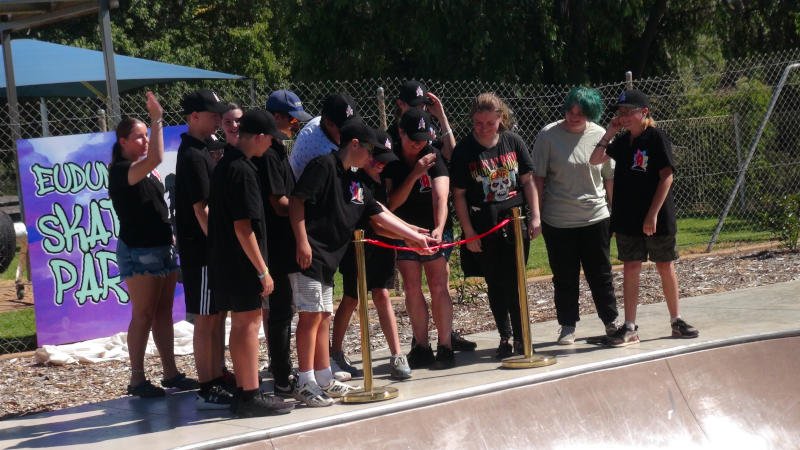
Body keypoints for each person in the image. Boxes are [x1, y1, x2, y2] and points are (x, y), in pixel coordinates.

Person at [289, 120, 436, 407]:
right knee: (310, 317)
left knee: (322, 315)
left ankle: (323, 376)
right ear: (354, 144)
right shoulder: (323, 166)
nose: (373, 157)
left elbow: (377, 213)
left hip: (329, 258)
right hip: (313, 253)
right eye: (369, 150)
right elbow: (297, 202)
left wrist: (412, 233)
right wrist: (302, 241)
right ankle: (304, 381)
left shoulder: (352, 179)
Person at [589, 89, 699, 346]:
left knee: (664, 264)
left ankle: (676, 321)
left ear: (644, 112)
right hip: (628, 216)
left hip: (655, 216)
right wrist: (610, 131)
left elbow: (667, 176)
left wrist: (652, 214)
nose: (624, 117)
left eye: (629, 112)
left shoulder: (656, 137)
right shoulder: (623, 141)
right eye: (621, 113)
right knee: (631, 266)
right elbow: (595, 160)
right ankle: (629, 326)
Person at [108, 92, 198, 397]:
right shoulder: (122, 171)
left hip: (162, 247)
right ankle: (136, 378)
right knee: (143, 314)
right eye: (138, 137)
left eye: (147, 136)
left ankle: (170, 373)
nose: (145, 141)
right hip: (140, 250)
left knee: (163, 313)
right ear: (122, 142)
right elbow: (157, 157)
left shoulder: (149, 171)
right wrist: (158, 119)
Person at [207, 109, 295, 417]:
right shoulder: (243, 171)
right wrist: (263, 269)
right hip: (242, 263)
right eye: (270, 139)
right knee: (249, 323)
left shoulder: (226, 164)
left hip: (226, 261)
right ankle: (250, 393)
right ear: (258, 137)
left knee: (242, 324)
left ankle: (247, 388)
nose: (271, 145)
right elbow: (243, 227)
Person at [451, 92, 542, 358]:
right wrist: (468, 232)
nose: (483, 128)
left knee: (516, 281)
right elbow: (458, 194)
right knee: (496, 282)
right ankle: (505, 335)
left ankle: (523, 336)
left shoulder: (513, 142)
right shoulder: (465, 150)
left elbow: (527, 181)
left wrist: (535, 216)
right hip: (483, 225)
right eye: (478, 123)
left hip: (514, 223)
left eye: (489, 123)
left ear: (500, 119)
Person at [532, 87, 620, 345]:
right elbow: (538, 178)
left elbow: (609, 177)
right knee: (564, 276)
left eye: (580, 114)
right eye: (570, 111)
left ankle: (611, 321)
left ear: (591, 114)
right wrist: (536, 213)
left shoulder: (601, 135)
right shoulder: (548, 135)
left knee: (600, 273)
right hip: (558, 220)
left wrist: (616, 212)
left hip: (595, 217)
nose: (573, 117)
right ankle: (567, 325)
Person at [331, 129, 412, 380]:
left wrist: (411, 231)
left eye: (384, 162)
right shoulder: (357, 182)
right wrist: (409, 237)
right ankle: (335, 351)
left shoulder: (382, 180)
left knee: (383, 294)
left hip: (383, 249)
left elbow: (389, 213)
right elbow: (377, 223)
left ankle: (397, 354)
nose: (380, 166)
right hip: (358, 247)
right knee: (351, 298)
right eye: (376, 159)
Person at [384, 108, 460, 369]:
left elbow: (441, 196)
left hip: (431, 230)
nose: (418, 144)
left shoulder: (434, 155)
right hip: (405, 230)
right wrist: (415, 173)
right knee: (412, 287)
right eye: (412, 138)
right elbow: (391, 203)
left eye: (422, 138)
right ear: (401, 133)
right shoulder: (392, 159)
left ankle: (446, 345)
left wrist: (439, 227)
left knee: (438, 285)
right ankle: (421, 345)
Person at [250, 89, 313, 397]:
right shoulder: (270, 155)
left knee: (283, 307)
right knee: (280, 310)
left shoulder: (277, 151)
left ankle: (282, 369)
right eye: (290, 120)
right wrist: (307, 211)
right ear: (275, 118)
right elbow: (279, 202)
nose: (295, 126)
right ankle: (281, 374)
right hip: (274, 241)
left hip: (279, 239)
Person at [175, 89, 232, 408]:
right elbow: (201, 209)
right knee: (207, 318)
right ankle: (207, 382)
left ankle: (217, 374)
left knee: (216, 315)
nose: (217, 119)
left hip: (207, 252)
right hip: (202, 253)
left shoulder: (201, 150)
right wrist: (219, 246)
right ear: (194, 117)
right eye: (212, 115)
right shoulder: (193, 155)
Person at [288, 93, 358, 178]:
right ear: (328, 123)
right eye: (345, 129)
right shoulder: (323, 153)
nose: (351, 132)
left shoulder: (320, 122)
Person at [388, 80, 456, 162]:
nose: (419, 110)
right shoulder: (392, 134)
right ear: (400, 104)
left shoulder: (429, 128)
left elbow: (451, 155)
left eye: (422, 105)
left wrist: (441, 117)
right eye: (415, 106)